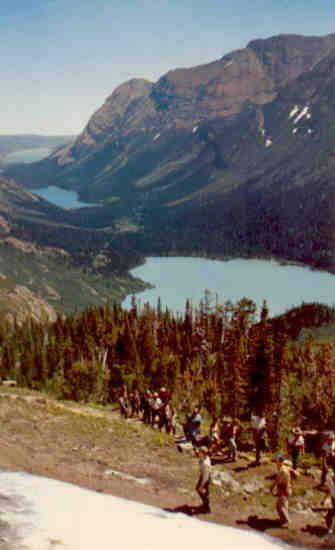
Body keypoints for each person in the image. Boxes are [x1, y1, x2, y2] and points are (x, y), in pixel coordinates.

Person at [270, 455, 297, 526]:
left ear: (280, 461)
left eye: (277, 461)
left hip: (284, 489)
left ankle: (287, 520)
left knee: (280, 506)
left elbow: (277, 480)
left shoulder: (282, 470)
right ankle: (283, 520)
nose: (276, 462)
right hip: (286, 489)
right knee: (283, 505)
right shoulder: (285, 468)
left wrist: (272, 487)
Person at [195, 446, 212, 513]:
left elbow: (206, 476)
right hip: (204, 475)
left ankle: (206, 507)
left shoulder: (205, 464)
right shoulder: (204, 457)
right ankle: (206, 505)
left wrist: (202, 485)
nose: (198, 453)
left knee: (200, 489)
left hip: (205, 478)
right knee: (203, 491)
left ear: (203, 453)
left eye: (200, 452)